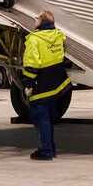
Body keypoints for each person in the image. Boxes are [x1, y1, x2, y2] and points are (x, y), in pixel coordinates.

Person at [22, 11, 70, 161]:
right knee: (48, 119)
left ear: (41, 22)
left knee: (41, 119)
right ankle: (51, 148)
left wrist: (28, 83)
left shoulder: (33, 40)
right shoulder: (59, 35)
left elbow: (32, 64)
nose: (35, 20)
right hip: (57, 83)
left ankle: (46, 151)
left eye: (37, 18)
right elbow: (63, 51)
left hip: (41, 84)